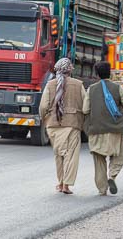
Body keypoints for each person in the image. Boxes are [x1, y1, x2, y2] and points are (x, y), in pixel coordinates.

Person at [83, 61, 123, 196]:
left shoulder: (91, 89)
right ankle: (112, 176)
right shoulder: (118, 88)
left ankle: (102, 189)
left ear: (97, 74)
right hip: (114, 129)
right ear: (111, 73)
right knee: (118, 156)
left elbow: (85, 109)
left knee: (99, 159)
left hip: (96, 129)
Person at [38, 58, 86, 194]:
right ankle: (66, 185)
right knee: (71, 155)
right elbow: (86, 104)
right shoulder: (78, 85)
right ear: (70, 70)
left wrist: (44, 119)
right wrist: (84, 118)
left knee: (58, 154)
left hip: (53, 125)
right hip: (72, 123)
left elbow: (43, 106)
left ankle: (60, 183)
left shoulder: (50, 84)